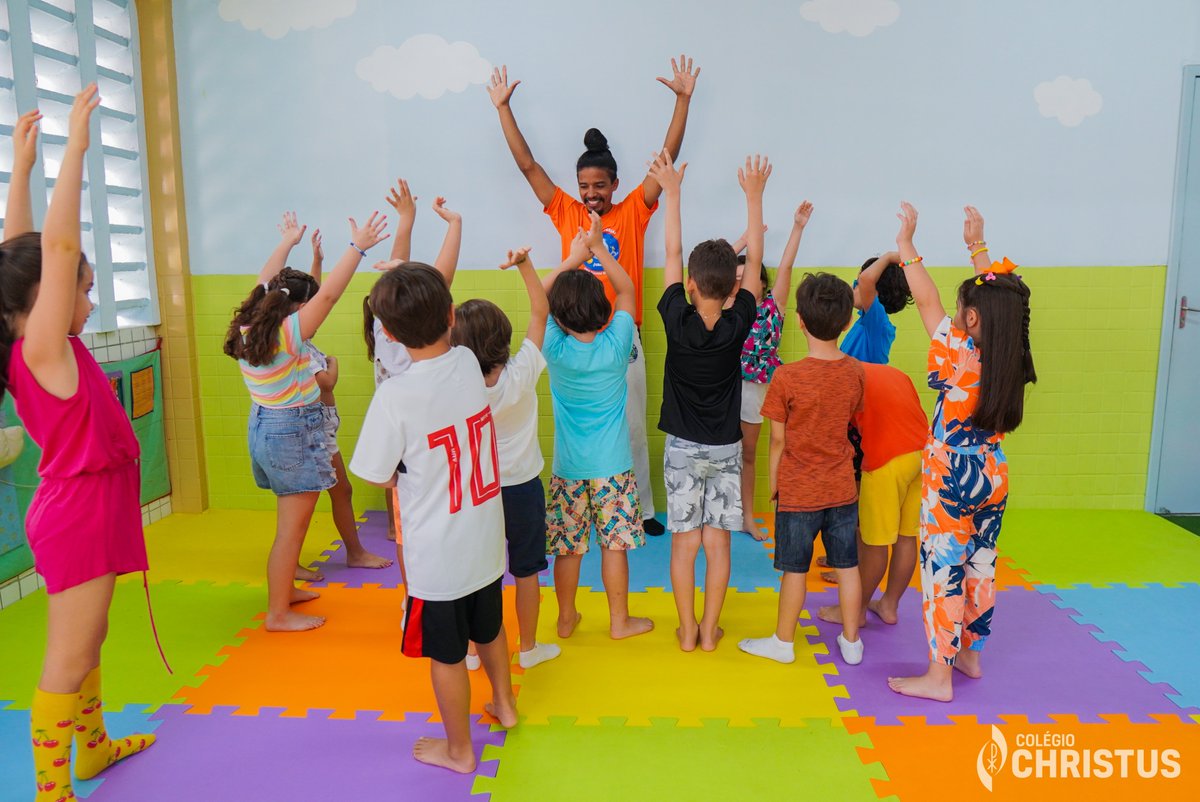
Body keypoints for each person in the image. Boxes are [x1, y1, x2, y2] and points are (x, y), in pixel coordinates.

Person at [1, 89, 156, 801]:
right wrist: (78, 149)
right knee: (65, 660)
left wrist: (22, 170)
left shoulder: (36, 336)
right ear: (48, 300)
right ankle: (52, 789)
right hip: (80, 514)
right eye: (82, 288)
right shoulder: (43, 349)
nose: (87, 299)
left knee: (87, 644)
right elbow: (53, 252)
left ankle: (90, 753)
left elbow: (25, 260)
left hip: (91, 506)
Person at [487, 56, 702, 537]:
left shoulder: (632, 212)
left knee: (630, 426)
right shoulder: (565, 211)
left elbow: (664, 159)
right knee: (578, 427)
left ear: (615, 186)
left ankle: (640, 508)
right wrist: (504, 109)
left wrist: (683, 100)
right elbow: (527, 166)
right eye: (584, 187)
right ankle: (582, 503)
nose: (590, 195)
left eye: (599, 187)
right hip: (570, 340)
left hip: (622, 338)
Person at [350, 264, 517, 773]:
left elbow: (374, 474)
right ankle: (505, 706)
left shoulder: (395, 395)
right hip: (486, 540)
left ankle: (460, 750)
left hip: (438, 558)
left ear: (390, 334)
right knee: (488, 628)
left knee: (446, 655)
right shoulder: (467, 360)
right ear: (451, 315)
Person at [887, 204, 1036, 702]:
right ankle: (970, 655)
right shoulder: (1010, 350)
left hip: (950, 475)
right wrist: (979, 250)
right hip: (992, 472)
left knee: (942, 570)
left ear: (970, 318)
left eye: (960, 311)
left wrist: (906, 244)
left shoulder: (959, 351)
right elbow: (1001, 304)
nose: (951, 315)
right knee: (981, 564)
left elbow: (925, 298)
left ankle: (939, 676)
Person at [225, 209, 389, 632]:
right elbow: (330, 295)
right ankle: (277, 613)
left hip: (265, 425)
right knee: (290, 532)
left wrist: (287, 243)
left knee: (291, 527)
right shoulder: (288, 334)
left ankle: (285, 593)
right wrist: (357, 248)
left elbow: (265, 280)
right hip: (291, 431)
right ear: (296, 308)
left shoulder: (248, 327)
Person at [648, 151, 765, 651]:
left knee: (685, 544)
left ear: (690, 285)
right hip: (724, 448)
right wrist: (754, 198)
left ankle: (688, 630)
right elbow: (755, 261)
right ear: (734, 286)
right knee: (718, 542)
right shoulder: (740, 324)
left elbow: (673, 250)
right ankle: (712, 631)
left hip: (681, 448)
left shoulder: (677, 317)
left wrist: (672, 192)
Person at [737, 273, 866, 666]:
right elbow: (850, 417)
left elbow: (777, 441)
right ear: (846, 323)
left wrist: (775, 483)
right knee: (847, 567)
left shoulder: (786, 377)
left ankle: (783, 642)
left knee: (794, 571)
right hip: (842, 487)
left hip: (797, 491)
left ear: (800, 321)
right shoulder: (855, 371)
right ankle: (851, 641)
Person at [542, 214, 653, 641]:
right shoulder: (617, 341)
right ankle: (619, 621)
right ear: (603, 311)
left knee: (568, 549)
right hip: (613, 467)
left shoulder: (554, 345)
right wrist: (600, 250)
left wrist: (573, 257)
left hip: (569, 468)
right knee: (614, 545)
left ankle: (566, 617)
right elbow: (626, 289)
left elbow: (542, 296)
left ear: (558, 317)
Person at [450, 246, 561, 669]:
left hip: (477, 492)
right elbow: (540, 311)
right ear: (503, 335)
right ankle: (529, 648)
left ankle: (475, 650)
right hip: (522, 489)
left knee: (481, 573)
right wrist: (525, 265)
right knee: (527, 570)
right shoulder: (522, 372)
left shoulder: (458, 389)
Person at [364, 181, 463, 545]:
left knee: (400, 475)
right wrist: (451, 225)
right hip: (418, 422)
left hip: (412, 424)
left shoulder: (387, 327)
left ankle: (398, 527)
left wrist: (407, 221)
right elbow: (438, 280)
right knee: (404, 476)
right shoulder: (452, 355)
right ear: (449, 315)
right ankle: (398, 526)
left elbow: (426, 281)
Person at [289, 231, 393, 571]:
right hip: (311, 434)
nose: (315, 314)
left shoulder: (295, 336)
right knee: (319, 498)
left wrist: (317, 261)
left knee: (337, 492)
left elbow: (315, 298)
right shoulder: (296, 346)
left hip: (321, 432)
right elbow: (326, 381)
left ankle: (353, 551)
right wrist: (334, 363)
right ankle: (348, 553)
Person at [816, 362, 928, 627]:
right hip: (924, 454)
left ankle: (854, 611)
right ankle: (889, 605)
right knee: (905, 536)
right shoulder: (892, 372)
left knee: (873, 542)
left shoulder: (845, 379)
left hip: (887, 460)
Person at [728, 202, 813, 538]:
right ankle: (727, 514)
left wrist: (797, 227)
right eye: (733, 280)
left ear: (760, 283)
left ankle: (749, 516)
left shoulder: (770, 306)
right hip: (726, 386)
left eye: (745, 279)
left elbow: (788, 265)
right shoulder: (722, 308)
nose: (738, 286)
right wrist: (743, 240)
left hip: (756, 389)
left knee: (748, 454)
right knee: (726, 454)